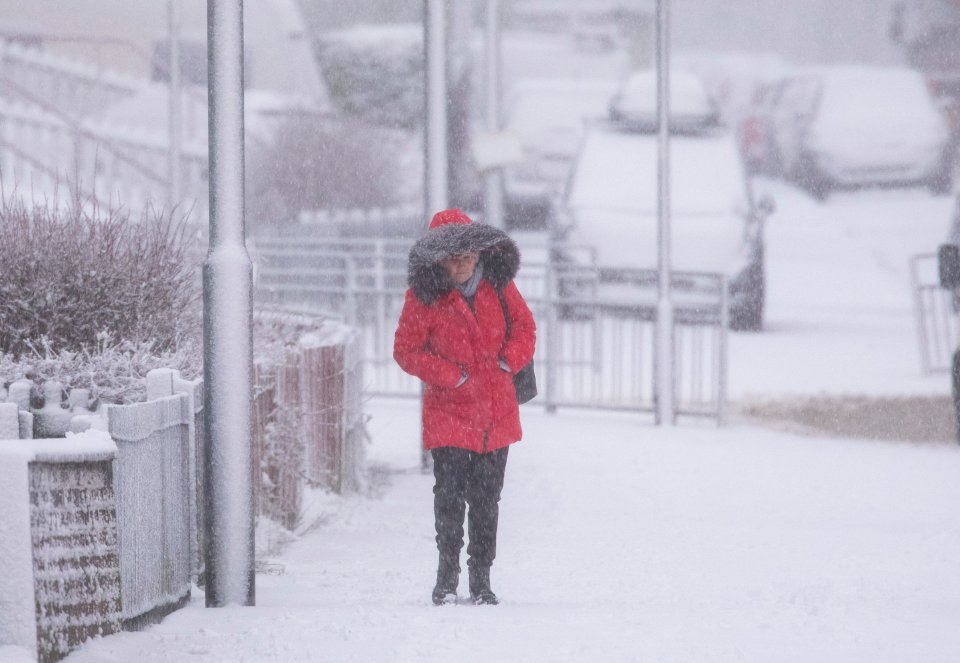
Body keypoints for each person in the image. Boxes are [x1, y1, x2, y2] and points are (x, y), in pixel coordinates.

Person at [393, 208, 536, 605]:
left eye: (469, 253)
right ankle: (447, 574)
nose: (463, 261)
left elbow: (525, 327)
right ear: (437, 257)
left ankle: (481, 577)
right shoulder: (424, 297)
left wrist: (510, 358)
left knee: (488, 500)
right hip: (450, 415)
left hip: (496, 414)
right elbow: (405, 351)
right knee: (450, 496)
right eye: (453, 255)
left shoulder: (500, 286)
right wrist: (450, 375)